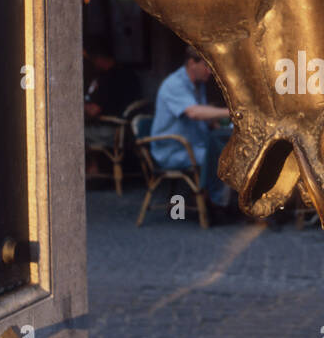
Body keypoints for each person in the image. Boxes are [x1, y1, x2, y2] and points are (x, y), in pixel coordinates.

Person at [150, 47, 233, 210]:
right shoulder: (174, 84)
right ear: (191, 63)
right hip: (172, 150)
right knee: (222, 159)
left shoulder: (197, 84)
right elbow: (194, 112)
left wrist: (214, 122)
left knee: (229, 152)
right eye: (207, 66)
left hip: (193, 145)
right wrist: (232, 112)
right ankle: (215, 204)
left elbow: (200, 113)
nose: (210, 71)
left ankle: (217, 199)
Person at [84, 36, 142, 174]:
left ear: (99, 58)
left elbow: (93, 111)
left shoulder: (109, 79)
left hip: (112, 131)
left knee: (72, 134)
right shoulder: (128, 73)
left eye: (92, 60)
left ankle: (91, 169)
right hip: (128, 130)